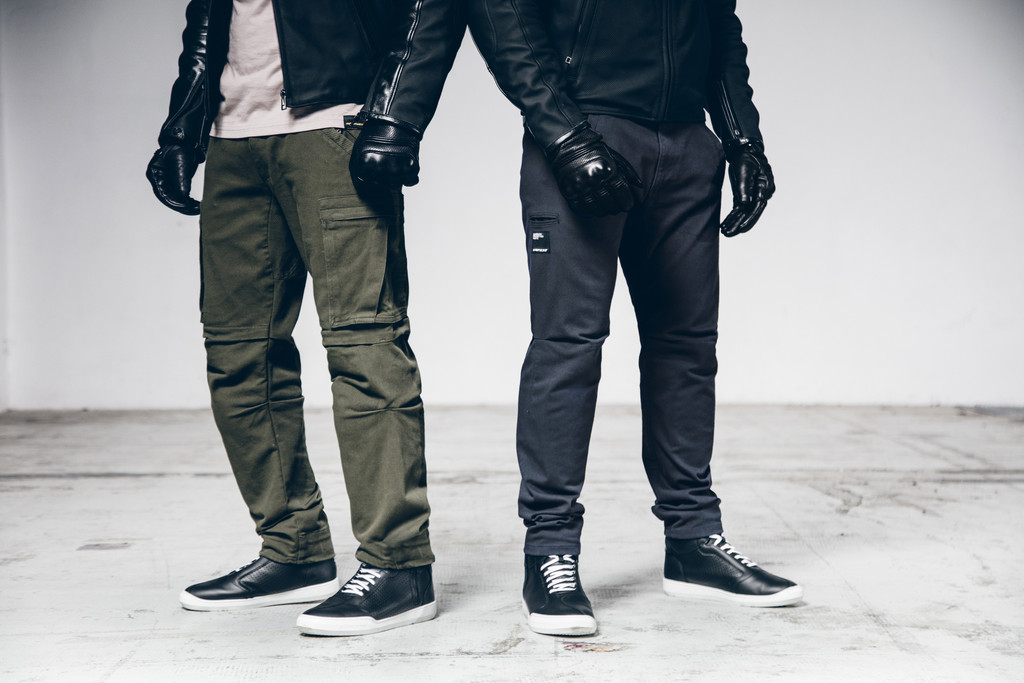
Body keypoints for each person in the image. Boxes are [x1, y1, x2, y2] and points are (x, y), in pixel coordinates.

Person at [355, 0, 803, 637]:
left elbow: (720, 27)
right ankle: (550, 550)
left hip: (685, 144)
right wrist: (565, 134)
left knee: (687, 347)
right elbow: (508, 21)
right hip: (585, 132)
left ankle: (694, 541)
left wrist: (742, 139)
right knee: (568, 345)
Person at [146, 0, 462, 637]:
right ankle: (294, 549)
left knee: (363, 343)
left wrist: (395, 116)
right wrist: (183, 127)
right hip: (232, 137)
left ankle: (399, 566)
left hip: (332, 126)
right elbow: (208, 19)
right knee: (238, 352)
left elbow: (430, 7)